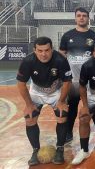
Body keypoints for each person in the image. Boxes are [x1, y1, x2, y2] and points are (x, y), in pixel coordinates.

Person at [17, 37, 72, 166]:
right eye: (40, 50)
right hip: (37, 91)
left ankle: (60, 148)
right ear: (34, 50)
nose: (44, 54)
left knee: (61, 114)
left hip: (56, 91)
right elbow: (21, 84)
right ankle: (35, 150)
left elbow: (67, 82)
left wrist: (61, 101)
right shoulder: (28, 61)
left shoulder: (60, 60)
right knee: (30, 117)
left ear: (52, 49)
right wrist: (29, 105)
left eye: (47, 50)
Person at [59, 7, 95, 144]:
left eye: (84, 15)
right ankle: (69, 132)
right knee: (72, 106)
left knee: (93, 107)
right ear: (75, 18)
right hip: (72, 80)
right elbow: (61, 56)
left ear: (88, 18)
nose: (82, 18)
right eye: (79, 15)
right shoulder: (67, 36)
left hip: (90, 80)